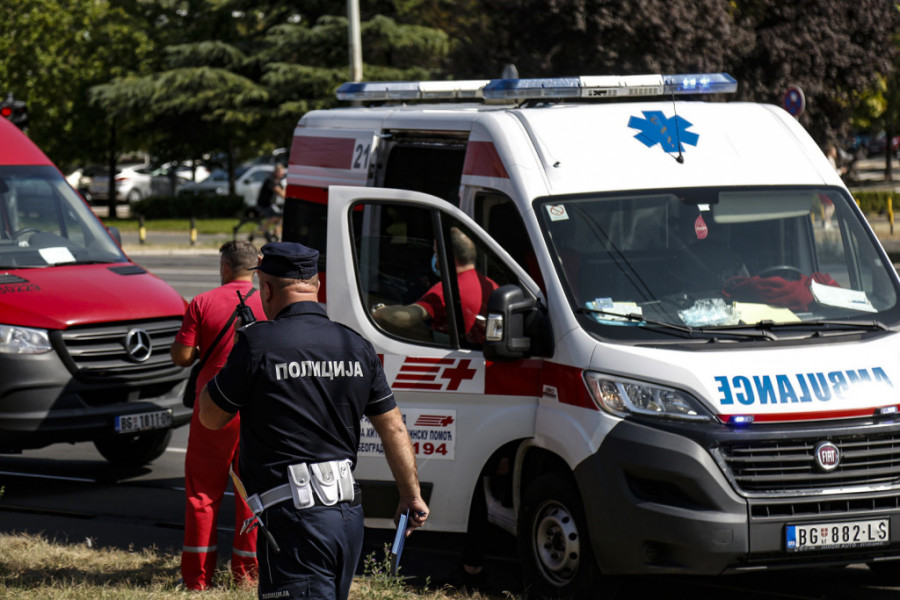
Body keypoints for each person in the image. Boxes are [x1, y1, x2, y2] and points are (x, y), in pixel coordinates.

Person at [198, 241, 429, 600]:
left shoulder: (258, 345)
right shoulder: (356, 345)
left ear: (267, 288)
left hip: (294, 519)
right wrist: (410, 495)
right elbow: (394, 427)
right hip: (347, 519)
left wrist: (233, 361)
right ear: (316, 284)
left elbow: (211, 417)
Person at [170, 240, 266, 591]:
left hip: (213, 407)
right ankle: (247, 576)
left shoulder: (201, 302)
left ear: (225, 267)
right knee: (252, 494)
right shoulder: (268, 302)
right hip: (256, 410)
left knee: (202, 494)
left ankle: (197, 580)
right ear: (255, 268)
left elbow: (182, 357)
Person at [372, 227, 497, 344]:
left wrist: (379, 311)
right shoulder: (491, 285)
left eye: (436, 254)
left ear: (446, 256)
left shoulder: (446, 290)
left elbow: (405, 317)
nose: (434, 259)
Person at [255, 163, 286, 240]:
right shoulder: (270, 180)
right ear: (276, 172)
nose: (282, 173)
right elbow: (279, 192)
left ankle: (275, 235)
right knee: (278, 216)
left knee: (282, 217)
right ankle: (262, 229)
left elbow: (284, 191)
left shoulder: (277, 181)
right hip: (264, 205)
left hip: (271, 205)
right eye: (281, 172)